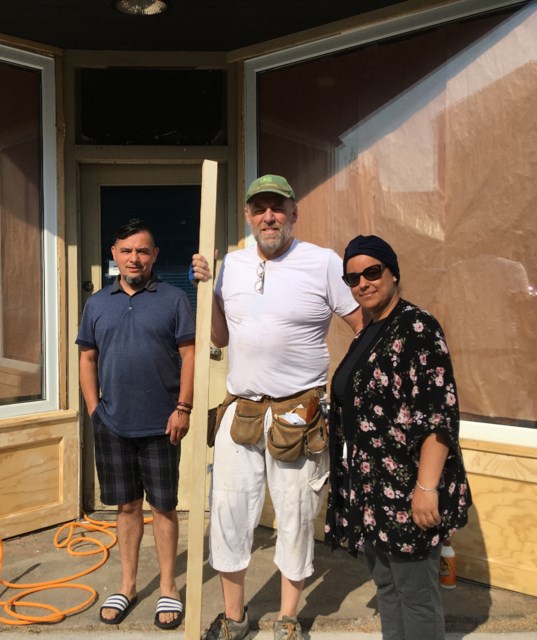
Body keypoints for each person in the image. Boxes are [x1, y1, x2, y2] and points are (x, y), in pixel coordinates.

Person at [191, 175, 362, 640]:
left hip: (299, 415)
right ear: (248, 215)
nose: (269, 216)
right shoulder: (231, 264)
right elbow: (220, 338)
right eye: (260, 208)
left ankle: (288, 619)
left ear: (293, 213)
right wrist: (206, 293)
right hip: (242, 412)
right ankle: (234, 617)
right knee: (229, 513)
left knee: (296, 515)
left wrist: (351, 387)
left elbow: (361, 326)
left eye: (278, 207)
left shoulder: (323, 263)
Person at [324, 234, 472, 640]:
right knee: (388, 587)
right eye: (353, 278)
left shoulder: (418, 328)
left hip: (407, 489)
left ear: (393, 273)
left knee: (416, 594)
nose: (363, 284)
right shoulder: (369, 330)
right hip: (372, 491)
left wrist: (426, 487)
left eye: (372, 272)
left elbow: (438, 415)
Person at [76, 218, 195, 631]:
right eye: (126, 250)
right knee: (126, 507)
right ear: (114, 254)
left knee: (163, 506)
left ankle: (167, 587)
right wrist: (94, 409)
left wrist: (184, 407)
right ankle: (127, 585)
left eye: (143, 251)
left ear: (154, 256)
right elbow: (87, 358)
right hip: (112, 422)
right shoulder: (97, 304)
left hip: (163, 424)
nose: (134, 258)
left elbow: (190, 355)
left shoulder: (175, 299)